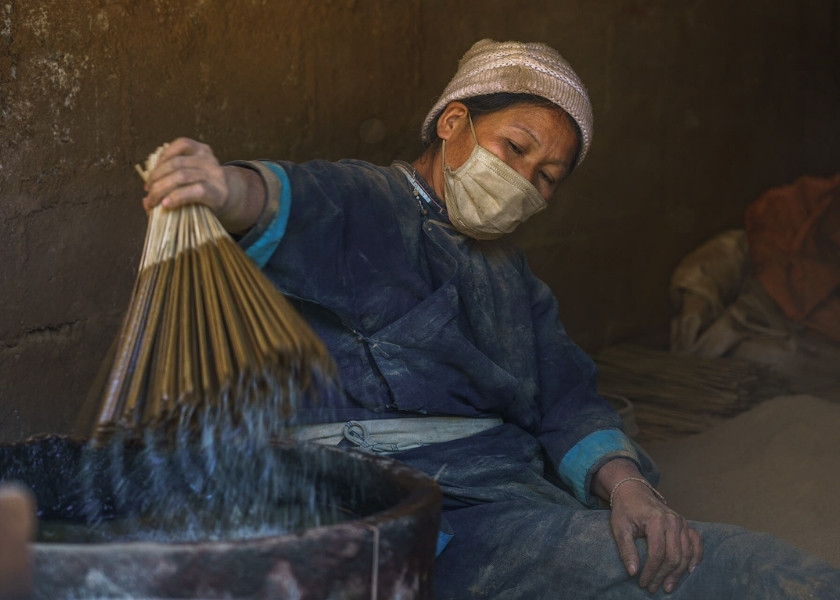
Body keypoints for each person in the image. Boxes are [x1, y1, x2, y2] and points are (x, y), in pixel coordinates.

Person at [143, 39, 840, 598]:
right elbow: (295, 202)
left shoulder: (515, 280)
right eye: (515, 148)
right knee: (712, 573)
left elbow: (567, 399)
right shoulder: (372, 201)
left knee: (718, 564)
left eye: (547, 177)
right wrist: (224, 186)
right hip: (382, 505)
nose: (525, 181)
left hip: (501, 497)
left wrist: (631, 488)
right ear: (453, 124)